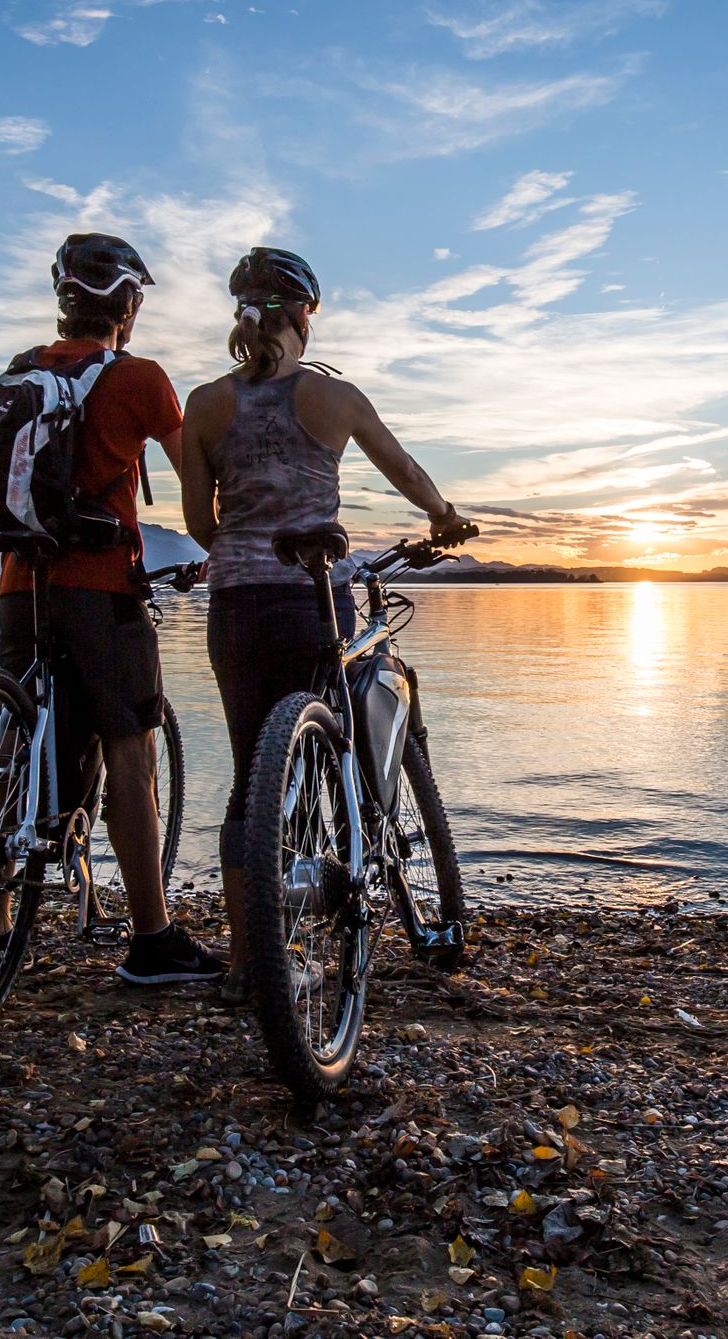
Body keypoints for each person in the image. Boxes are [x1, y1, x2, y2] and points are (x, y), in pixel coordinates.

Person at [176, 246, 470, 993]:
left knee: (251, 778)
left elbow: (196, 521)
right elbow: (402, 469)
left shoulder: (205, 403)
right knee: (336, 757)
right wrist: (444, 517)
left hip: (238, 604)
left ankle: (247, 966)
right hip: (314, 599)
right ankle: (347, 919)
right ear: (304, 315)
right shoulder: (332, 398)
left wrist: (242, 551)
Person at [0, 232, 224, 987]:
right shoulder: (139, 379)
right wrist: (220, 543)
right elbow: (196, 482)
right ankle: (151, 938)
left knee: (11, 750)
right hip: (100, 590)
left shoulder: (21, 372)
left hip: (21, 584)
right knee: (131, 749)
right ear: (125, 303)